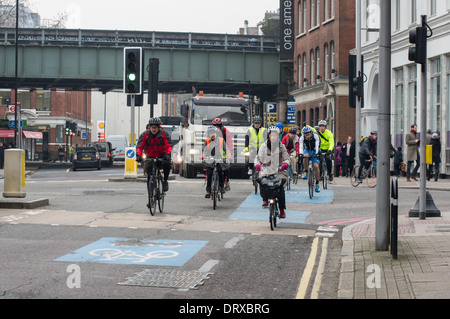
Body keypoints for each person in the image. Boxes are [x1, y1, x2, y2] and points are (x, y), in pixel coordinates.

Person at [255, 126, 289, 218]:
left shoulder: (282, 146)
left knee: (281, 189)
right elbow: (258, 158)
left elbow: (286, 158)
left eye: (275, 135)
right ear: (268, 136)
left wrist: (285, 164)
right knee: (262, 180)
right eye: (271, 135)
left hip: (279, 170)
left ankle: (282, 210)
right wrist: (258, 165)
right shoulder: (263, 146)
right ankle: (265, 199)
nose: (273, 137)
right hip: (267, 169)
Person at [136, 117, 172, 192]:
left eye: (155, 128)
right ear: (149, 127)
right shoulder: (145, 135)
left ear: (159, 127)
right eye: (152, 127)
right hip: (150, 155)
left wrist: (168, 155)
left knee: (167, 164)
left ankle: (165, 181)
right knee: (149, 175)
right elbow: (139, 147)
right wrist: (138, 156)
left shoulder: (164, 134)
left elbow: (169, 145)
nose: (153, 129)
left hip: (162, 154)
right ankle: (150, 196)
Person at [202, 126, 231, 198]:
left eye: (213, 133)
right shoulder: (207, 141)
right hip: (210, 160)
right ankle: (208, 190)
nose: (212, 135)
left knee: (220, 171)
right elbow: (204, 150)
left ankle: (221, 186)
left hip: (219, 159)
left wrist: (228, 156)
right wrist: (203, 156)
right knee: (209, 173)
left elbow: (226, 149)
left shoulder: (221, 140)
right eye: (210, 133)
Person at [212, 117, 233, 191]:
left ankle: (226, 182)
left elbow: (229, 143)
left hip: (223, 154)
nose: (216, 128)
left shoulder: (225, 131)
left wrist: (229, 155)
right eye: (215, 126)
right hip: (213, 155)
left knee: (226, 168)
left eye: (218, 126)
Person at [299, 126, 321, 192]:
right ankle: (305, 171)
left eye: (308, 134)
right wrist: (300, 153)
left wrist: (317, 153)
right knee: (305, 156)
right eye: (305, 135)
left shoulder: (315, 136)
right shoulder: (302, 138)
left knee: (316, 166)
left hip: (314, 150)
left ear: (311, 133)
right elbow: (301, 146)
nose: (307, 136)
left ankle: (317, 183)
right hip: (307, 149)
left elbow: (317, 145)